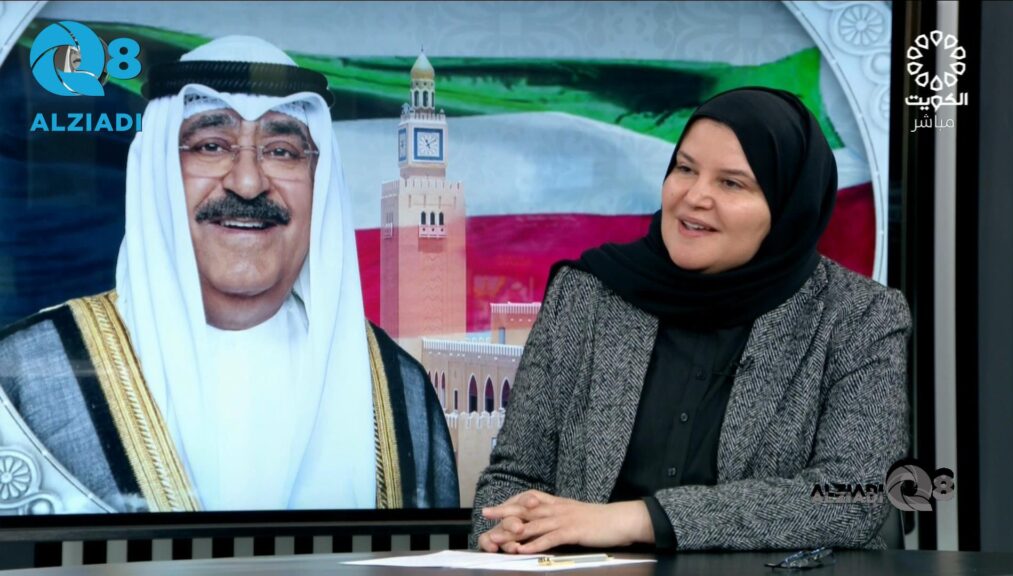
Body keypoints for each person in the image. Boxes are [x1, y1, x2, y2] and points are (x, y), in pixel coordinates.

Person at [0, 36, 457, 514]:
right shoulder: (29, 374)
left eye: (282, 151)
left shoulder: (398, 391)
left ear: (319, 183)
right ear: (159, 172)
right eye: (211, 146)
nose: (248, 182)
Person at [471, 87, 911, 552]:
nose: (695, 196)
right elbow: (513, 479)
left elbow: (852, 497)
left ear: (788, 207)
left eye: (732, 183)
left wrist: (640, 519)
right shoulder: (588, 293)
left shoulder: (857, 317)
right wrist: (507, 532)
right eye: (685, 169)